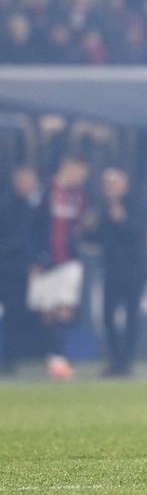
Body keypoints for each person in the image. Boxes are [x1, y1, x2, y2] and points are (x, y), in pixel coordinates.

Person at [29, 156, 89, 381]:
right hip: (44, 260)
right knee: (46, 312)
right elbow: (33, 224)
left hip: (68, 261)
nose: (80, 179)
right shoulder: (45, 191)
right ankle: (51, 357)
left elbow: (81, 224)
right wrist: (35, 257)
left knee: (65, 308)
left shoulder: (79, 196)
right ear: (66, 169)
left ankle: (60, 358)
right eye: (78, 173)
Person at [95, 168, 147, 376]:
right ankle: (114, 360)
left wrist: (122, 219)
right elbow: (98, 236)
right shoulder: (101, 208)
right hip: (111, 270)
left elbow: (138, 231)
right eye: (107, 184)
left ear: (124, 184)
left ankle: (126, 362)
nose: (110, 188)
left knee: (131, 317)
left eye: (114, 183)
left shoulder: (135, 204)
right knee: (108, 316)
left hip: (134, 270)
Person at [0, 167, 41, 375]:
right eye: (24, 181)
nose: (28, 186)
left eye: (31, 181)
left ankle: (11, 360)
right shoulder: (5, 204)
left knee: (15, 314)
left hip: (19, 269)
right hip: (6, 266)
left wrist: (34, 261)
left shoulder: (32, 206)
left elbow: (33, 238)